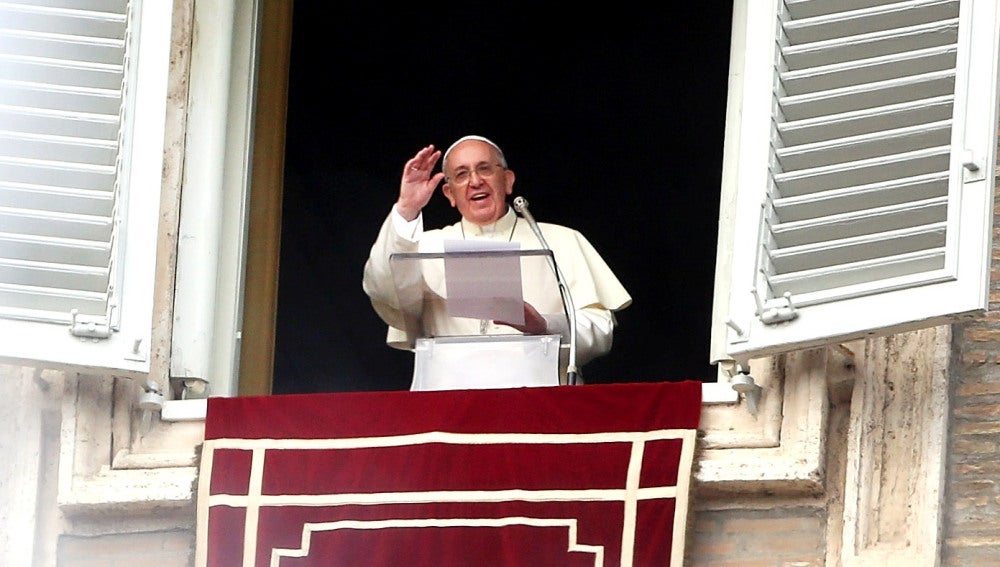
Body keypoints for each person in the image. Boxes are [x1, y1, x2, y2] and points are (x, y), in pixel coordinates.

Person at [362, 135, 631, 387]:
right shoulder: (424, 246)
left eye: (484, 169)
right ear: (449, 194)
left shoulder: (558, 240)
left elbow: (600, 330)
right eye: (461, 174)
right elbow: (386, 292)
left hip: (540, 404)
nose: (475, 181)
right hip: (448, 406)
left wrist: (545, 326)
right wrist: (407, 208)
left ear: (508, 180)